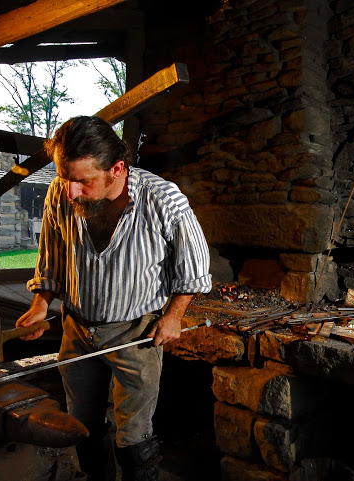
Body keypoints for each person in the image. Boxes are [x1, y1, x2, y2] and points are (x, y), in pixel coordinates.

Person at [15, 115, 212, 481]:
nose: (72, 191)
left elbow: (195, 270)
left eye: (84, 181)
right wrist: (41, 304)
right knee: (81, 423)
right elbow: (52, 258)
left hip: (136, 334)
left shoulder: (163, 200)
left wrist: (174, 316)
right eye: (66, 180)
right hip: (77, 329)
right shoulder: (62, 192)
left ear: (117, 168)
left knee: (133, 435)